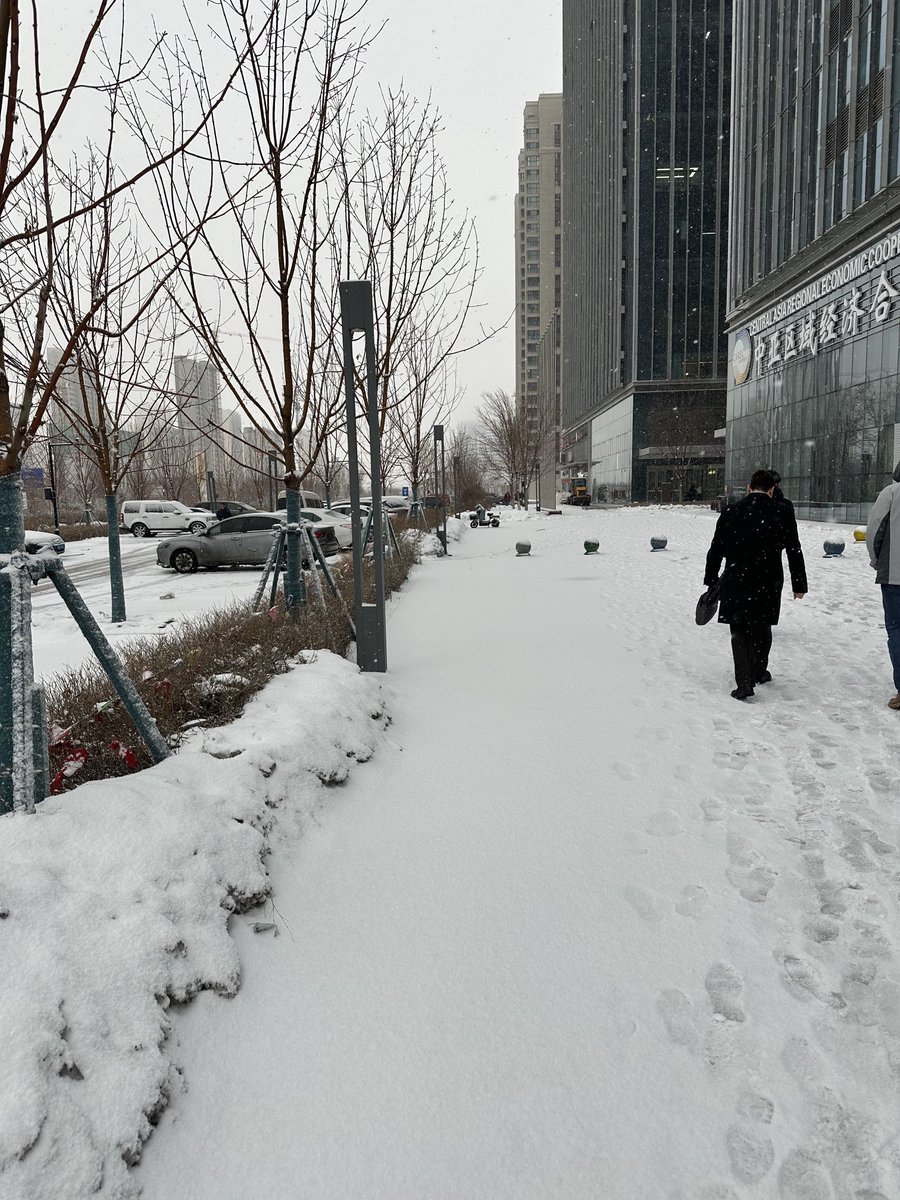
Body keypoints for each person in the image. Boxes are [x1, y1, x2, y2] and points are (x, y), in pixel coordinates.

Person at [704, 468, 807, 700]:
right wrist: (799, 583)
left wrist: (711, 578)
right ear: (771, 490)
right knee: (763, 625)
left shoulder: (731, 511)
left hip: (736, 576)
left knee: (738, 629)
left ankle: (744, 683)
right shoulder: (782, 511)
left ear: (749, 488)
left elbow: (716, 547)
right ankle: (759, 670)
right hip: (768, 578)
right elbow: (794, 548)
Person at [865, 459, 900, 710]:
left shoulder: (891, 493)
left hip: (894, 575)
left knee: (897, 630)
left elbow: (874, 531)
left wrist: (877, 561)